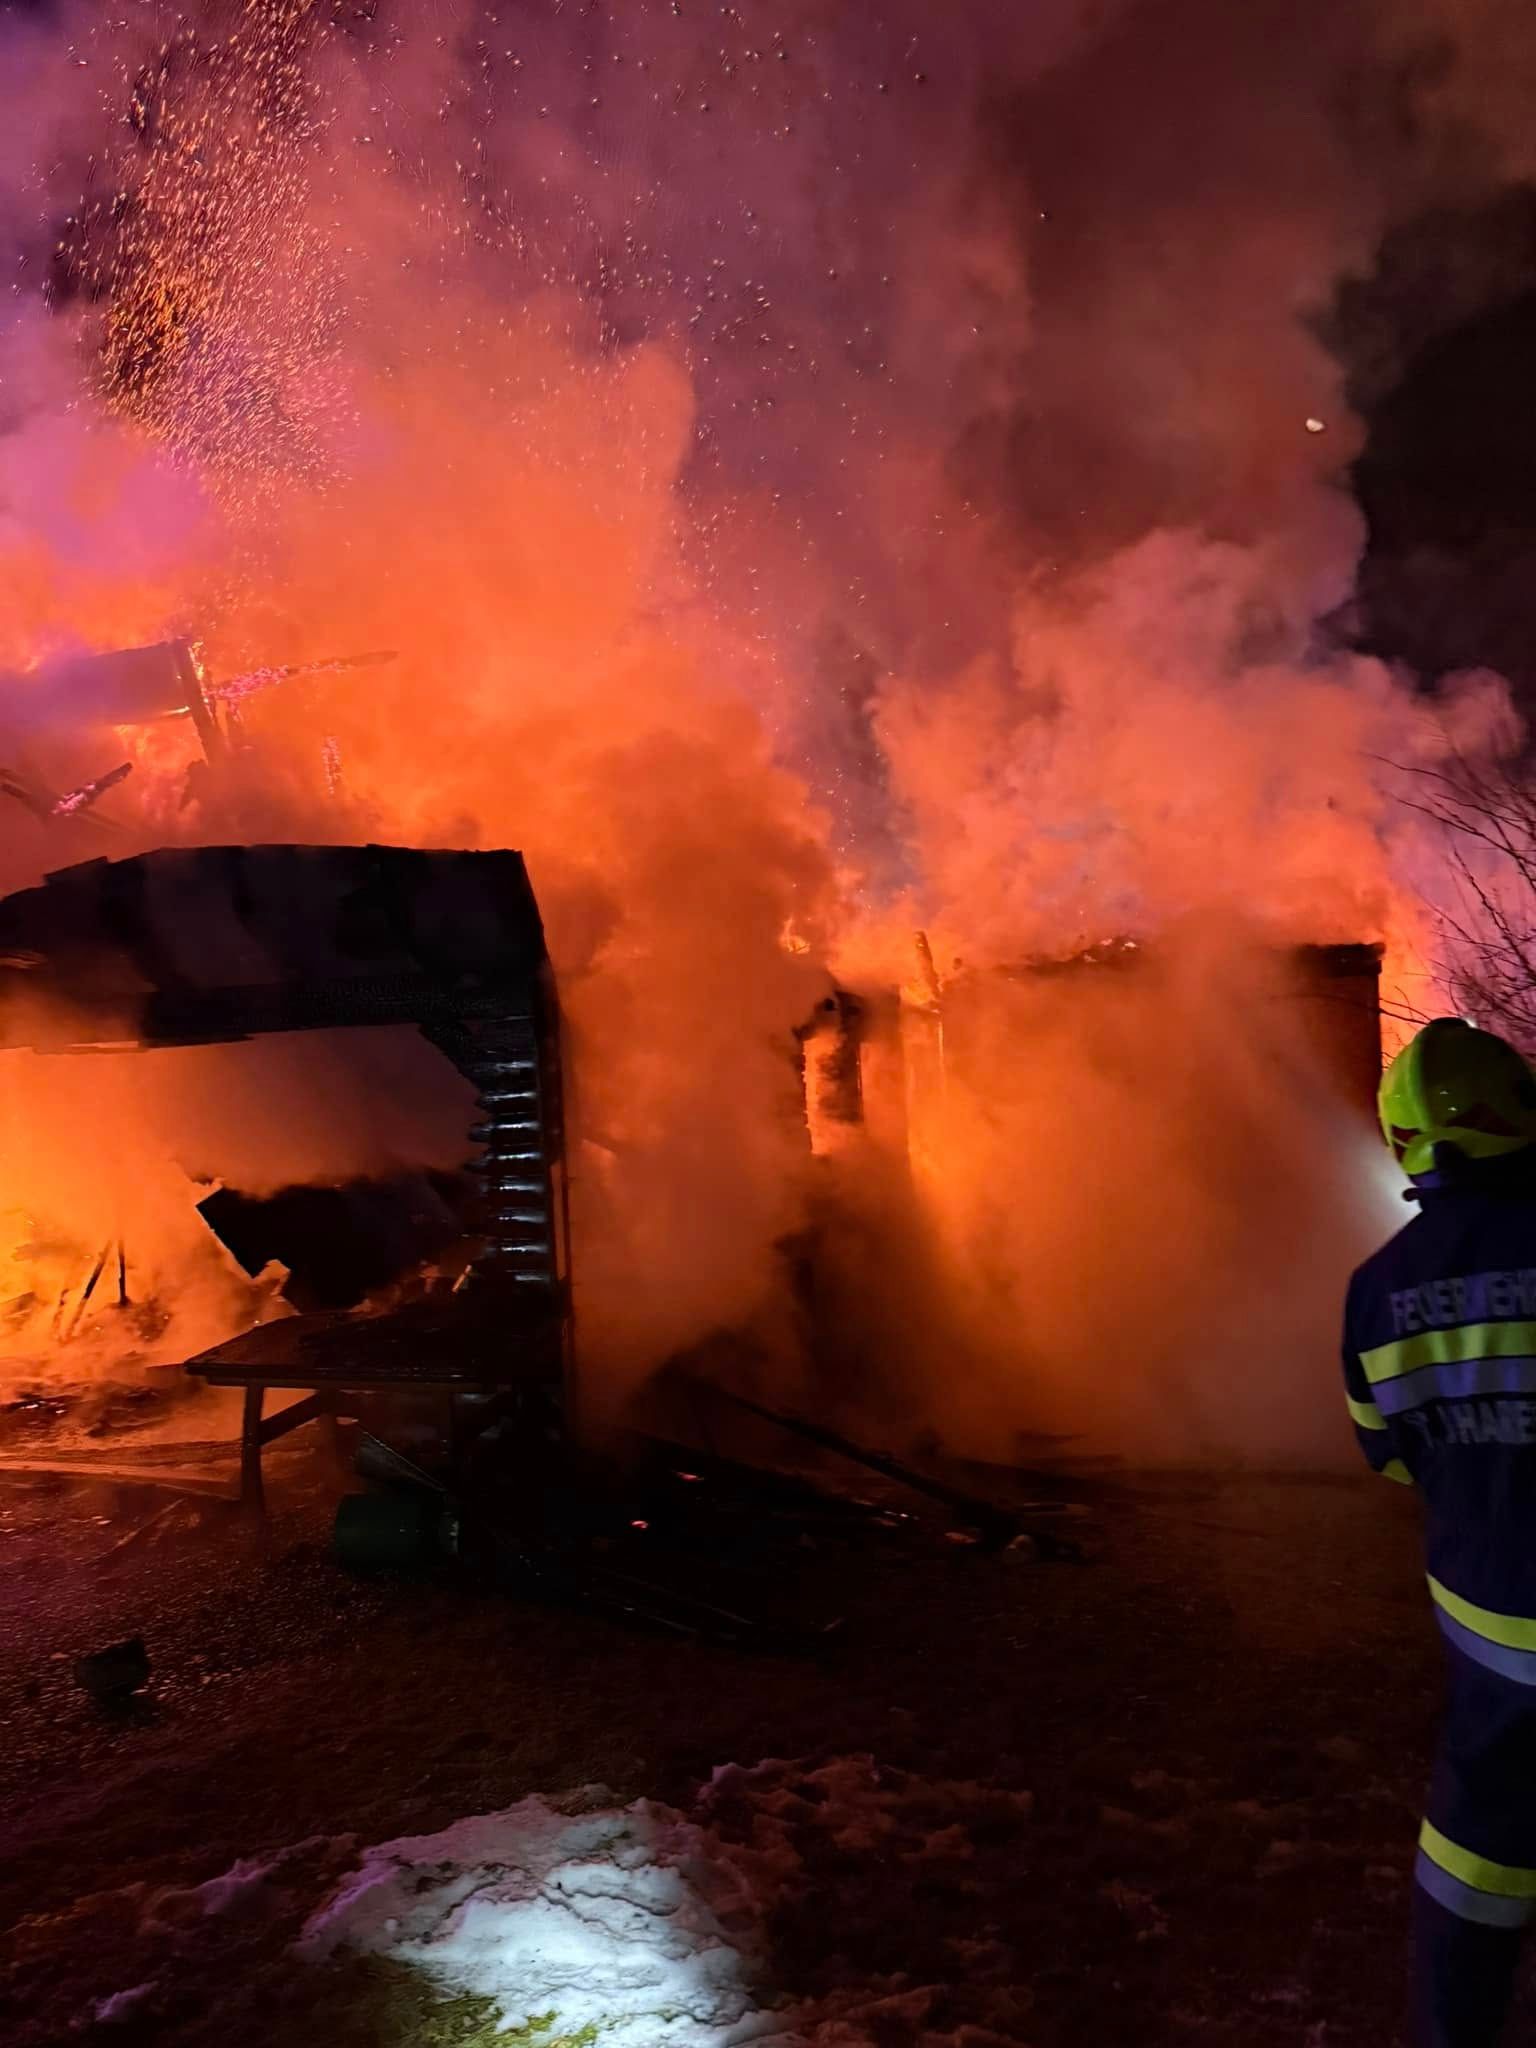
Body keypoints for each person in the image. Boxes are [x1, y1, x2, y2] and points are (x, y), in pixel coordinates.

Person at [1345, 1016, 1536, 2047]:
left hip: (1498, 1649)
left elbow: (1393, 1452)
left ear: (1402, 1139)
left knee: (1473, 1861)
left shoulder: (1378, 1291)